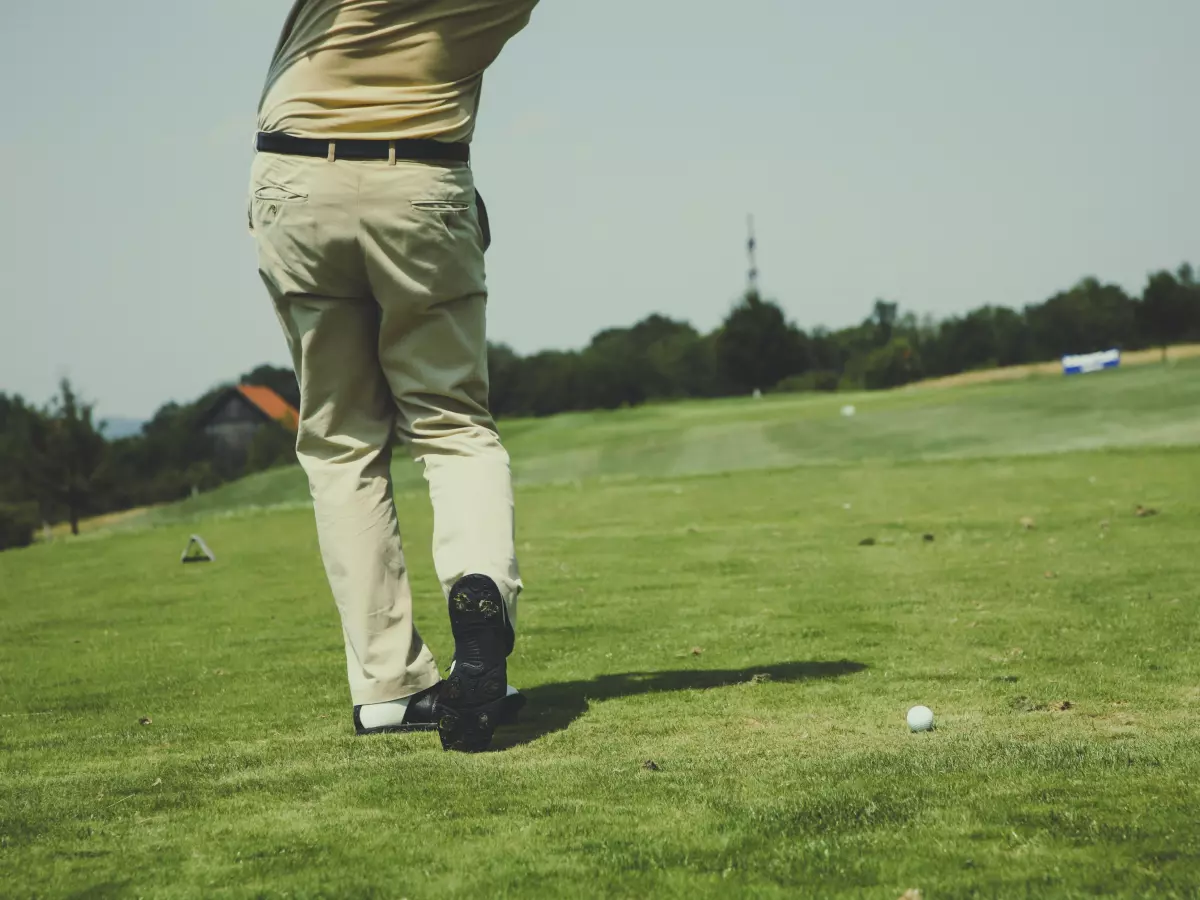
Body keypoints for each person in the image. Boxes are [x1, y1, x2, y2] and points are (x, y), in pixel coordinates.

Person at [248, 0, 538, 752]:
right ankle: (478, 589)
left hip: (295, 174)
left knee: (340, 442)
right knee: (453, 426)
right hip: (422, 179)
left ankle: (388, 688)